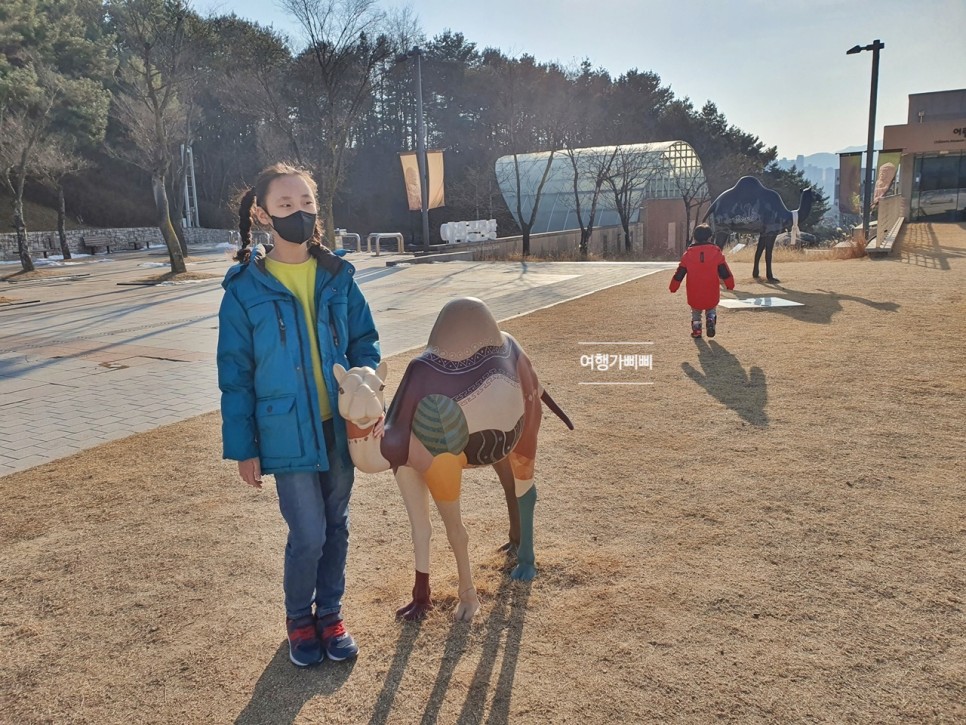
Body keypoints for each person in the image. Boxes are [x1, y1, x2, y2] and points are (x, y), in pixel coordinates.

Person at [217, 163, 381, 667]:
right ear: (264, 215)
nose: (300, 213)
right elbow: (236, 373)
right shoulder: (245, 288)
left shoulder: (339, 275)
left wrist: (363, 379)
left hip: (337, 429)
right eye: (287, 206)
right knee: (308, 532)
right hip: (284, 431)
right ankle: (298, 619)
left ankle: (330, 614)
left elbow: (365, 342)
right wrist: (243, 447)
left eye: (307, 203)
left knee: (337, 524)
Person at [669, 224, 735, 338]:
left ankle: (697, 331)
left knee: (695, 312)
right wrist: (730, 284)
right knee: (711, 308)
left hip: (694, 290)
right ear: (710, 238)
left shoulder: (688, 254)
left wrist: (673, 287)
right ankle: (710, 319)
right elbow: (725, 271)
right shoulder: (716, 252)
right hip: (711, 289)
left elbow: (679, 273)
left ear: (694, 238)